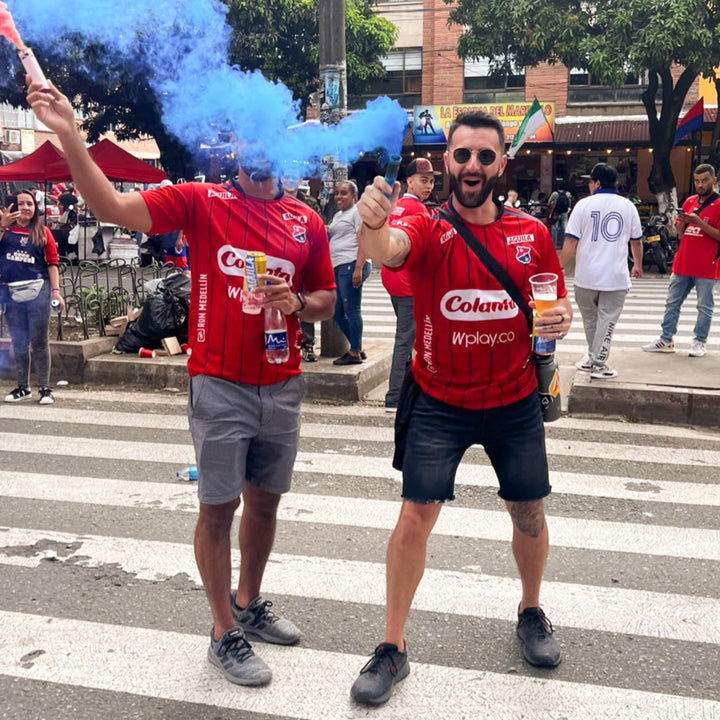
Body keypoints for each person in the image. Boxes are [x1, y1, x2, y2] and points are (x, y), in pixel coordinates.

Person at [26, 77, 336, 686]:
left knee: (267, 503)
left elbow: (327, 298)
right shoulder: (202, 202)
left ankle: (247, 603)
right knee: (218, 508)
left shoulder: (306, 221)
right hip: (219, 382)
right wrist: (71, 139)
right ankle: (222, 630)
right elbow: (113, 209)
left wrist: (298, 303)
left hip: (282, 382)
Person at [350, 109, 571, 706]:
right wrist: (371, 226)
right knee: (413, 519)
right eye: (462, 154)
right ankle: (392, 648)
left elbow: (553, 301)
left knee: (528, 512)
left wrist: (561, 318)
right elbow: (390, 248)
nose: (472, 165)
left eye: (484, 156)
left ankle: (530, 610)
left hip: (514, 398)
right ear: (447, 160)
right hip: (439, 399)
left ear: (502, 163)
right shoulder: (426, 226)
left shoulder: (531, 233)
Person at [559, 163, 643, 379]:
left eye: (590, 181)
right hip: (615, 278)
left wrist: (559, 267)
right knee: (606, 321)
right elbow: (637, 241)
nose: (588, 185)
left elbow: (570, 241)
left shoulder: (582, 205)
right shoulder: (628, 206)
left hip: (585, 277)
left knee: (591, 320)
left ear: (597, 183)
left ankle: (593, 358)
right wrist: (638, 265)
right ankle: (598, 363)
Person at [642, 163, 720, 357]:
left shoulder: (719, 204)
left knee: (704, 306)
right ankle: (666, 339)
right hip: (683, 262)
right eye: (697, 181)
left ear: (714, 180)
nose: (700, 185)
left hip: (707, 265)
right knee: (672, 302)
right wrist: (683, 223)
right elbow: (680, 233)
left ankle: (699, 341)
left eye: (704, 181)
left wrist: (699, 222)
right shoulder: (690, 201)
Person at [0, 190, 66, 405]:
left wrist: (56, 292)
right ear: (13, 206)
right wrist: (2, 225)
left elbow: (52, 263)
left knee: (39, 341)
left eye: (29, 203)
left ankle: (45, 388)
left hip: (39, 291)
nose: (25, 207)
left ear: (35, 207)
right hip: (11, 293)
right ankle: (22, 386)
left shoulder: (43, 232)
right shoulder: (6, 231)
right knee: (18, 341)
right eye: (21, 203)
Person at [381, 158, 434, 412]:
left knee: (406, 335)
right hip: (408, 284)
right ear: (409, 182)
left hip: (392, 280)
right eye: (423, 180)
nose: (429, 186)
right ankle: (394, 398)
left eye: (432, 181)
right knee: (406, 339)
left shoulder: (397, 206)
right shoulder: (420, 211)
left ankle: (401, 392)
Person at [328, 180, 372, 365]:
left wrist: (359, 267)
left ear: (354, 196)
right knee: (337, 312)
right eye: (337, 193)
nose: (339, 196)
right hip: (340, 266)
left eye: (344, 193)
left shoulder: (357, 212)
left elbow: (364, 239)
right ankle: (357, 346)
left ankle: (354, 352)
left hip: (352, 264)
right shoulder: (339, 215)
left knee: (352, 310)